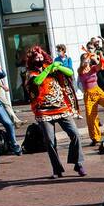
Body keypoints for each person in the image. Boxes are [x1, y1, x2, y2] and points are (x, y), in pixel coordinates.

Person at [25, 46, 85, 179]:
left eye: (41, 57)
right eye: (36, 57)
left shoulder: (52, 68)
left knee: (75, 134)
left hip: (61, 108)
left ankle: (78, 163)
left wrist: (57, 66)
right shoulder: (30, 73)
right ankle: (57, 169)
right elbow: (37, 81)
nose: (39, 59)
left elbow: (69, 73)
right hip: (44, 112)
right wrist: (47, 69)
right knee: (50, 142)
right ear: (32, 60)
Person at [78, 44, 104, 145]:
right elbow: (83, 65)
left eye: (87, 57)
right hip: (88, 94)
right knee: (91, 117)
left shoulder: (93, 68)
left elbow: (101, 65)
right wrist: (86, 57)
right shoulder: (80, 70)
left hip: (98, 91)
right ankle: (95, 138)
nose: (87, 59)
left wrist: (100, 56)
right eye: (84, 58)